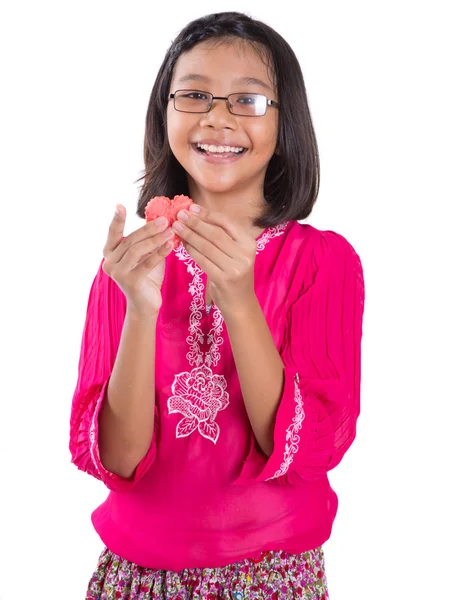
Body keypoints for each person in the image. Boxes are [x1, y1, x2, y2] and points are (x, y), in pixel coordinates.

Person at [69, 10, 365, 600]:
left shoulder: (323, 261)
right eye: (195, 95)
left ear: (286, 124)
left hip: (272, 575)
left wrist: (238, 297)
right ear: (165, 112)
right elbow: (119, 460)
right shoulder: (128, 270)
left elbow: (309, 450)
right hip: (135, 575)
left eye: (247, 101)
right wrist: (141, 309)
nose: (217, 117)